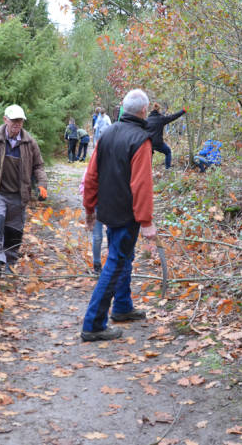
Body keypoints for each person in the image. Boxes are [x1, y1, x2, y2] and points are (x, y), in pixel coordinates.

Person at [81, 89, 157, 341]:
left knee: (123, 257)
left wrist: (90, 208)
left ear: (124, 109)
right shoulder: (141, 140)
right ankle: (93, 324)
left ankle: (122, 307)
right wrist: (146, 221)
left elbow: (91, 175)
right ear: (144, 111)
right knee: (115, 263)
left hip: (108, 210)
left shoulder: (106, 134)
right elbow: (141, 184)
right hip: (126, 215)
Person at [0, 105, 48, 279]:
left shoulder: (29, 142)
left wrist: (42, 184)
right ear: (5, 119)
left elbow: (38, 166)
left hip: (19, 196)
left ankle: (10, 264)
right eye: (14, 120)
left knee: (14, 233)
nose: (17, 124)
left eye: (20, 121)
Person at [146, 103, 186, 169]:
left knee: (149, 157)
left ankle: (148, 172)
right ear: (159, 110)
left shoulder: (146, 120)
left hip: (149, 142)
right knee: (168, 152)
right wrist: (183, 110)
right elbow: (173, 116)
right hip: (158, 142)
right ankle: (167, 168)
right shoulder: (161, 119)